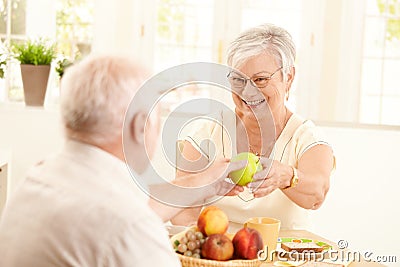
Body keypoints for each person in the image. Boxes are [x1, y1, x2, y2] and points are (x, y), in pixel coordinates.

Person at [0, 55, 244, 267]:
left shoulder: (36, 180)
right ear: (139, 126)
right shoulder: (129, 226)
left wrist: (205, 184)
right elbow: (127, 219)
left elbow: (137, 206)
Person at [171, 23, 336, 231]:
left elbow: (316, 195)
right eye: (238, 81)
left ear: (289, 77)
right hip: (221, 254)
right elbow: (179, 209)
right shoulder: (206, 132)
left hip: (282, 258)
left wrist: (286, 175)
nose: (248, 92)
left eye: (260, 79)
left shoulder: (305, 138)